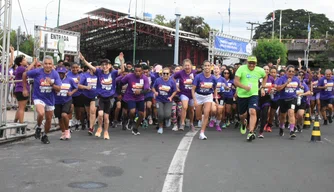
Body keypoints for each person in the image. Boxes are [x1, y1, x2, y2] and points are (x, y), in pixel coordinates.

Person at [79, 52, 124, 140]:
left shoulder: (113, 73)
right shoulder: (99, 72)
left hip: (110, 98)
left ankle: (106, 131)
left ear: (110, 66)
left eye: (106, 65)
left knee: (106, 117)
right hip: (100, 97)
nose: (104, 66)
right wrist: (83, 60)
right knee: (100, 114)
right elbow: (90, 66)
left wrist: (121, 61)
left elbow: (122, 70)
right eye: (103, 65)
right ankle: (99, 127)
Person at [22, 55, 62, 144]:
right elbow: (25, 74)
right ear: (43, 64)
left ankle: (45, 135)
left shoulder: (55, 74)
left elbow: (59, 88)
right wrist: (24, 88)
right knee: (41, 113)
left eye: (49, 64)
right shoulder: (37, 72)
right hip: (38, 97)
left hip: (50, 99)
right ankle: (39, 127)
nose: (48, 66)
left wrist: (51, 84)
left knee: (49, 119)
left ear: (52, 64)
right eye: (46, 64)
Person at [234, 56, 267, 141]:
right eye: (250, 63)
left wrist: (263, 86)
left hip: (253, 94)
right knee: (242, 115)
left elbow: (265, 76)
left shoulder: (260, 70)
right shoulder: (241, 68)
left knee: (252, 111)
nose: (251, 65)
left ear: (256, 63)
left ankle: (251, 132)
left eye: (253, 63)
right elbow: (236, 82)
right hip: (242, 95)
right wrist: (244, 87)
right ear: (247, 62)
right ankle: (243, 123)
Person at [121, 64, 150, 135]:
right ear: (134, 71)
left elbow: (147, 89)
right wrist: (119, 92)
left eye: (139, 71)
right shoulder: (129, 76)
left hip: (140, 98)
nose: (137, 72)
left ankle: (135, 128)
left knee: (141, 114)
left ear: (142, 71)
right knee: (132, 111)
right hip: (130, 97)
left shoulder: (145, 78)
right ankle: (130, 120)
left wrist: (140, 91)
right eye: (136, 71)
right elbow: (121, 82)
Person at [192, 61, 218, 140]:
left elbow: (215, 88)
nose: (207, 67)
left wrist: (215, 97)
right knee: (198, 116)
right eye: (205, 66)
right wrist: (195, 100)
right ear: (203, 67)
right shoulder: (198, 77)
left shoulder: (213, 78)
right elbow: (193, 89)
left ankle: (202, 133)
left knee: (207, 113)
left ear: (211, 67)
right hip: (198, 96)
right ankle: (201, 118)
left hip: (208, 96)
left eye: (208, 66)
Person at [276, 65, 301, 138]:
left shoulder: (296, 79)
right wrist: (286, 83)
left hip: (292, 99)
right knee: (283, 116)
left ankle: (292, 130)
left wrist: (301, 87)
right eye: (289, 71)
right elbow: (278, 89)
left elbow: (299, 86)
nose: (291, 73)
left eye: (293, 71)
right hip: (283, 99)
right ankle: (281, 127)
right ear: (286, 71)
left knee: (291, 113)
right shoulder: (282, 79)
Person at [13, 55, 36, 134]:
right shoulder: (20, 68)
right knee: (22, 108)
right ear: (20, 62)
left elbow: (32, 70)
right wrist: (33, 62)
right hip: (21, 89)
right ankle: (21, 125)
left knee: (20, 107)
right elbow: (28, 70)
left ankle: (16, 122)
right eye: (24, 60)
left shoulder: (21, 68)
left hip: (20, 89)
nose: (26, 61)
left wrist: (33, 65)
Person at [54, 67, 78, 140]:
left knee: (64, 114)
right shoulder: (55, 80)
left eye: (62, 73)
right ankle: (63, 132)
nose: (61, 74)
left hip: (67, 100)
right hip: (57, 100)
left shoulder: (70, 79)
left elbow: (76, 88)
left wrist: (71, 93)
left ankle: (67, 130)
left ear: (66, 73)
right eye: (59, 73)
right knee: (60, 118)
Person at [173, 59, 196, 131]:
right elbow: (172, 77)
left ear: (191, 66)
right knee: (184, 106)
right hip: (183, 92)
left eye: (188, 65)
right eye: (185, 65)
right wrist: (176, 87)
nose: (187, 67)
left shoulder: (194, 73)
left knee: (191, 109)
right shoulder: (180, 73)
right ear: (183, 66)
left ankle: (191, 123)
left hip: (192, 93)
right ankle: (182, 123)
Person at [152, 67, 177, 134]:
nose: (165, 75)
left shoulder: (172, 81)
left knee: (167, 115)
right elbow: (153, 88)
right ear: (161, 73)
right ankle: (160, 127)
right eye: (164, 73)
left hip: (168, 100)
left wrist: (171, 97)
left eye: (167, 73)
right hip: (159, 99)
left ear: (170, 74)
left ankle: (167, 119)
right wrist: (155, 92)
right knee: (160, 114)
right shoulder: (158, 80)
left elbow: (175, 91)